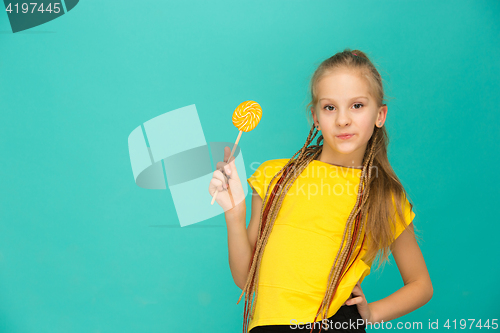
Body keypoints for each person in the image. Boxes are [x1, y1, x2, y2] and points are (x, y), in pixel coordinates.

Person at [208, 48, 433, 333]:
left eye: (357, 106)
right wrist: (233, 215)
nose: (342, 120)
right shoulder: (274, 176)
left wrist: (372, 312)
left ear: (380, 114)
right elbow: (245, 279)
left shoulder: (383, 196)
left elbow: (421, 285)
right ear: (315, 116)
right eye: (330, 107)